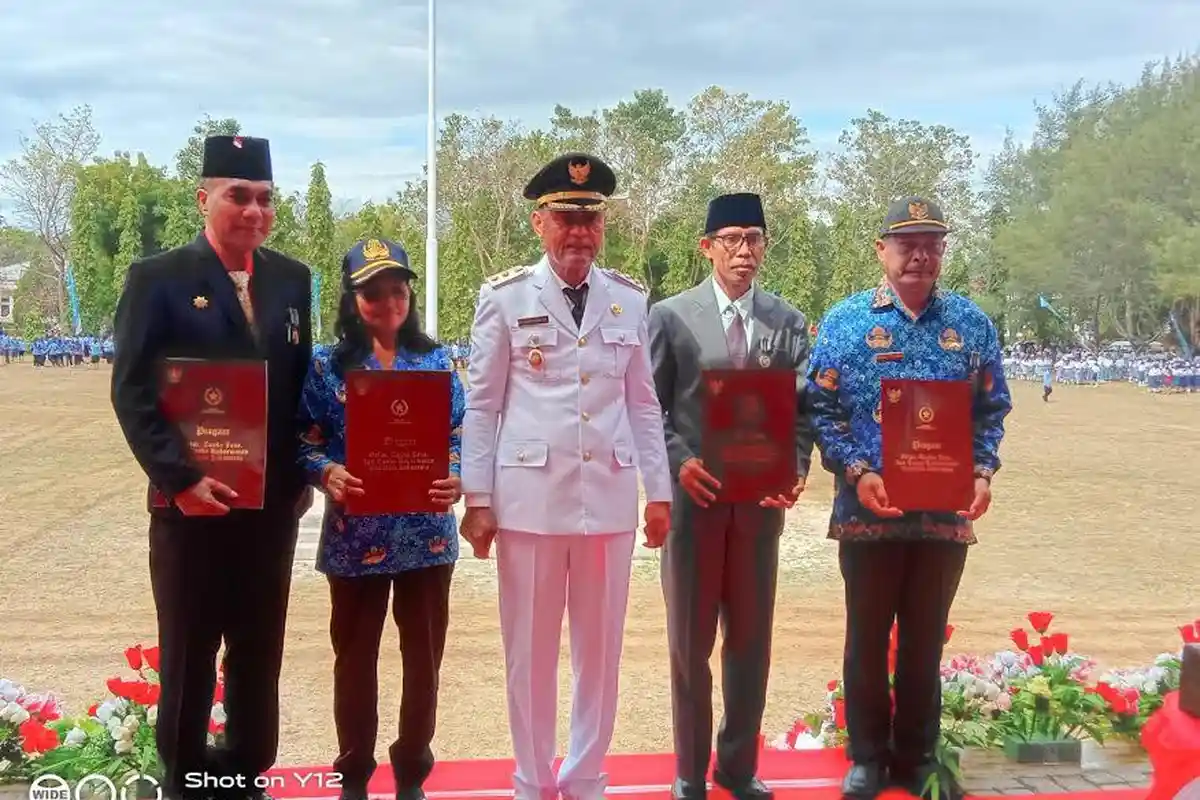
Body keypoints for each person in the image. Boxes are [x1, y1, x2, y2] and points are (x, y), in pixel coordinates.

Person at [459, 153, 672, 800]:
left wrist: (658, 492)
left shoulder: (629, 299)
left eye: (590, 219)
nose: (579, 231)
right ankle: (531, 779)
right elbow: (483, 402)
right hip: (528, 503)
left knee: (600, 655)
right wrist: (477, 496)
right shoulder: (503, 297)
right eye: (565, 218)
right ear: (539, 223)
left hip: (606, 500)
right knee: (529, 654)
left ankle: (584, 778)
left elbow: (642, 401)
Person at [110, 135, 314, 800]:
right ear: (204, 198)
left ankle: (248, 772)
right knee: (190, 654)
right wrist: (179, 478)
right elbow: (132, 390)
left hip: (268, 510)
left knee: (259, 653)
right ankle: (185, 779)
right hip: (189, 510)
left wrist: (303, 471)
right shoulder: (157, 279)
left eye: (264, 198)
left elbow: (298, 388)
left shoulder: (291, 280)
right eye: (239, 196)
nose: (254, 210)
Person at [805, 197, 1012, 800]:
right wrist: (857, 468)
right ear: (882, 250)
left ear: (943, 250)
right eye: (907, 243)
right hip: (867, 511)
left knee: (924, 640)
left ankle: (918, 756)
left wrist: (981, 472)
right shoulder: (844, 322)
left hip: (944, 516)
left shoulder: (971, 325)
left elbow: (991, 408)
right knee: (866, 639)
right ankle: (866, 757)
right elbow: (820, 408)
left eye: (932, 243)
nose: (920, 254)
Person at [647, 192, 815, 800]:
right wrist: (680, 462)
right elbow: (650, 409)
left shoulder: (788, 322)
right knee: (690, 642)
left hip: (758, 509)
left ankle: (737, 767)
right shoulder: (670, 316)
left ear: (766, 244)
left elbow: (802, 413)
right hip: (694, 507)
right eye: (731, 239)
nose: (744, 251)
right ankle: (690, 770)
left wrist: (795, 469)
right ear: (708, 246)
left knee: (750, 641)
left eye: (754, 238)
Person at [295, 238, 465, 800]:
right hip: (355, 535)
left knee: (424, 660)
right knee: (355, 660)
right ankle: (354, 774)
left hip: (426, 536)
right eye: (372, 293)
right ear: (351, 300)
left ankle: (412, 769)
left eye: (398, 289)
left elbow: (459, 433)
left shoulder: (436, 360)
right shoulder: (326, 365)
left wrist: (457, 473)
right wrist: (326, 472)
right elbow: (301, 441)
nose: (388, 302)